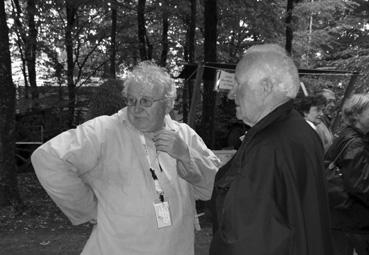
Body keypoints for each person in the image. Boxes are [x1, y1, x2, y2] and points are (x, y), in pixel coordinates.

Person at [31, 61, 219, 255]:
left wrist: (185, 156)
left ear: (168, 103)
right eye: (131, 100)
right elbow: (47, 159)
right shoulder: (104, 131)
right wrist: (87, 209)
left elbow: (211, 188)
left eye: (146, 101)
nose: (136, 109)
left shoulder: (185, 135)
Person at [209, 44, 334, 255]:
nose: (231, 94)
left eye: (238, 83)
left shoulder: (266, 147)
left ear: (265, 87)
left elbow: (247, 238)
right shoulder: (301, 131)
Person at [325, 94, 369, 255]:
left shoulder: (350, 136)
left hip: (342, 216)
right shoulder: (354, 143)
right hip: (351, 218)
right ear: (356, 115)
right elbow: (360, 184)